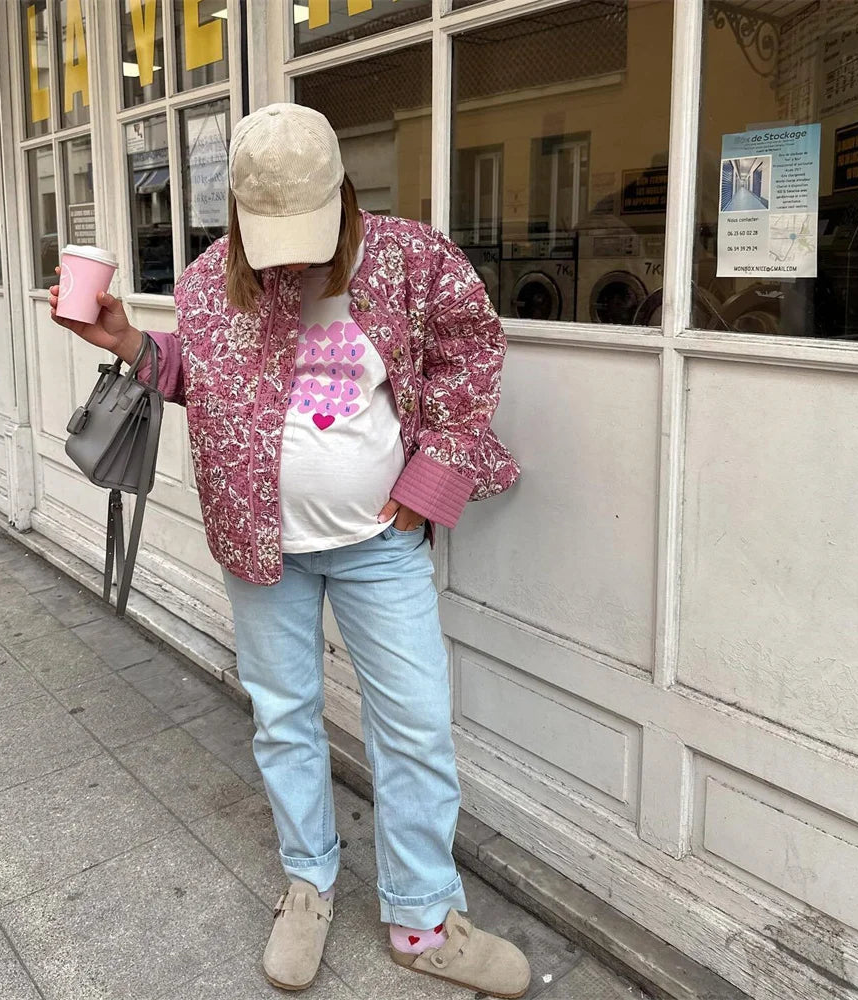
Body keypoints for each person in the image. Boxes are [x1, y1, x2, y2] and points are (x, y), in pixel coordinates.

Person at [50, 103, 527, 997]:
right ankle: (308, 883)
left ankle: (423, 918)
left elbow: (470, 362)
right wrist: (127, 342)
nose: (294, 263)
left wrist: (429, 485)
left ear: (342, 194)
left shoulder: (412, 259)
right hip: (258, 541)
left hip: (378, 545)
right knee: (284, 720)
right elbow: (200, 376)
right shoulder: (210, 278)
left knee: (416, 727)